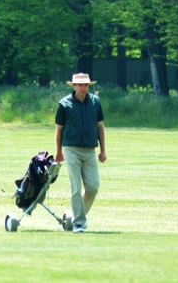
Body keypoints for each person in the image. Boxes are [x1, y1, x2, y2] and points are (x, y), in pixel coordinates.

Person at [55, 72, 107, 233]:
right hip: (71, 149)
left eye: (86, 85)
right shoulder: (64, 104)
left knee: (93, 187)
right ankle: (78, 223)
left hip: (90, 150)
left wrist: (103, 150)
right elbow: (59, 130)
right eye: (80, 85)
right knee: (76, 187)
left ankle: (73, 214)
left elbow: (100, 126)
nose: (83, 88)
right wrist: (59, 152)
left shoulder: (95, 102)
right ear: (74, 86)